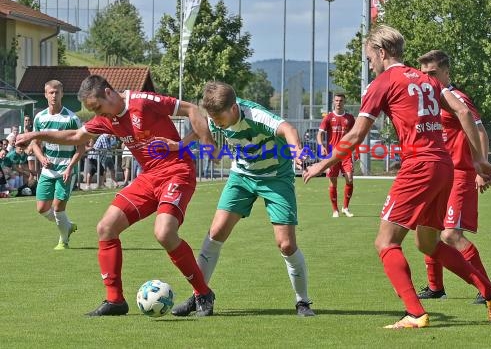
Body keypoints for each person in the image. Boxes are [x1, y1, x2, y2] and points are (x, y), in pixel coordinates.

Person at [303, 25, 491, 328]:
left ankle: (415, 313)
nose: (369, 64)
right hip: (444, 166)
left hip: (419, 167)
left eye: (369, 57)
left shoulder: (383, 83)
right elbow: (463, 112)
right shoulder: (426, 79)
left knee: (385, 243)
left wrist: (324, 163)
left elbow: (357, 133)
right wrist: (477, 158)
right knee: (428, 244)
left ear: (382, 52)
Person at [17, 75, 217, 317]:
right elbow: (74, 137)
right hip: (149, 177)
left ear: (109, 93)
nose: (101, 115)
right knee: (106, 227)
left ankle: (203, 293)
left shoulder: (142, 102)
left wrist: (201, 145)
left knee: (164, 233)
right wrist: (36, 135)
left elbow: (192, 109)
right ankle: (115, 300)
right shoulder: (105, 118)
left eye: (98, 107)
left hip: (177, 172)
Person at [171, 81, 316, 318]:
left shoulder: (255, 115)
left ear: (234, 109)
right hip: (242, 177)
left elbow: (288, 129)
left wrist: (298, 152)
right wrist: (178, 145)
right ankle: (200, 296)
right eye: (214, 119)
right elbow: (201, 129)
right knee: (215, 232)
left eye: (220, 119)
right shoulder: (218, 116)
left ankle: (303, 302)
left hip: (275, 178)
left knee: (286, 244)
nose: (217, 124)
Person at [415, 50, 491, 304]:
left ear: (447, 73)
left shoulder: (457, 98)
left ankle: (486, 286)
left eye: (433, 73)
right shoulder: (430, 98)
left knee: (450, 235)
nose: (427, 77)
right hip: (438, 174)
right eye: (424, 73)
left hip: (460, 174)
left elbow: (480, 132)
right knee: (428, 229)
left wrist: (480, 167)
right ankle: (435, 287)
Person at [26, 80, 84, 250]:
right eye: (51, 92)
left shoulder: (72, 118)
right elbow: (35, 143)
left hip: (65, 169)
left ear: (62, 94)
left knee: (58, 208)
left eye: (57, 92)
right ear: (45, 94)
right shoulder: (40, 117)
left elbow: (81, 147)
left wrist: (70, 167)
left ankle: (63, 241)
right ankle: (67, 225)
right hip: (47, 171)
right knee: (42, 209)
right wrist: (42, 158)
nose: (54, 95)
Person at [317, 93, 356, 218]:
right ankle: (335, 210)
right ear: (334, 102)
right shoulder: (328, 118)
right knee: (333, 182)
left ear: (344, 102)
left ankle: (345, 207)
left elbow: (356, 135)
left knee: (349, 178)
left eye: (341, 100)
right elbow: (320, 134)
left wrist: (356, 150)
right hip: (332, 154)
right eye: (337, 100)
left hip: (346, 153)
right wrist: (321, 146)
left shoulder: (350, 118)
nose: (339, 102)